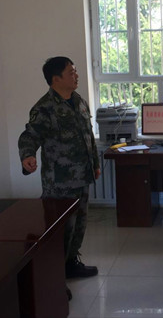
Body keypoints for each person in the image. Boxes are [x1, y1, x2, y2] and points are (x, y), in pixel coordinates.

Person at [18, 56, 101, 287]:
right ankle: (54, 279)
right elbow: (30, 135)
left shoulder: (79, 101)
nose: (76, 75)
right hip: (59, 183)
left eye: (75, 71)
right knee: (61, 231)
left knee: (79, 225)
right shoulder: (44, 108)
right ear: (56, 79)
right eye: (71, 72)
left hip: (82, 177)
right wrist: (27, 155)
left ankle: (70, 264)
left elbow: (88, 137)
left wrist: (95, 164)